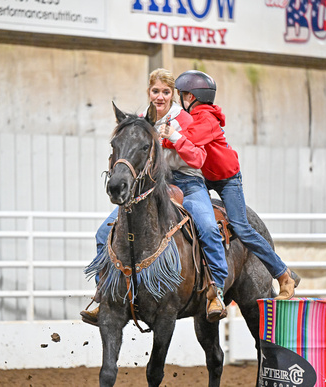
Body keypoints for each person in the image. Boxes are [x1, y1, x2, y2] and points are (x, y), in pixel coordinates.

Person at [81, 68, 229, 325]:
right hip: (152, 186)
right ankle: (103, 292)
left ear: (173, 95)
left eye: (166, 92)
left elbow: (198, 158)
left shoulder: (184, 118)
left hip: (188, 182)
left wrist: (173, 138)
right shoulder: (139, 121)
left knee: (207, 226)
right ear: (149, 92)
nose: (160, 96)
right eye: (155, 91)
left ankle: (216, 291)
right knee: (103, 232)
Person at [158, 70, 300, 300]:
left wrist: (165, 137)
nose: (181, 100)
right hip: (205, 177)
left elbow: (189, 139)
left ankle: (284, 274)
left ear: (192, 97)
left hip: (227, 179)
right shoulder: (199, 116)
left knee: (241, 227)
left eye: (183, 95)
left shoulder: (206, 118)